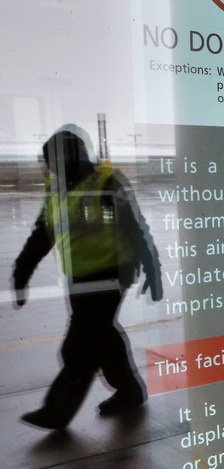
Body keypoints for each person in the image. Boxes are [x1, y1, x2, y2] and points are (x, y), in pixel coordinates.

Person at [12, 126, 162, 430]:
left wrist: (151, 267)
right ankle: (130, 392)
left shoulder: (107, 182)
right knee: (102, 337)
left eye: (55, 161)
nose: (52, 168)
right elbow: (42, 235)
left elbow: (135, 226)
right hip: (79, 278)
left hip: (111, 273)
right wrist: (22, 271)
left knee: (79, 345)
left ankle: (57, 412)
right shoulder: (57, 189)